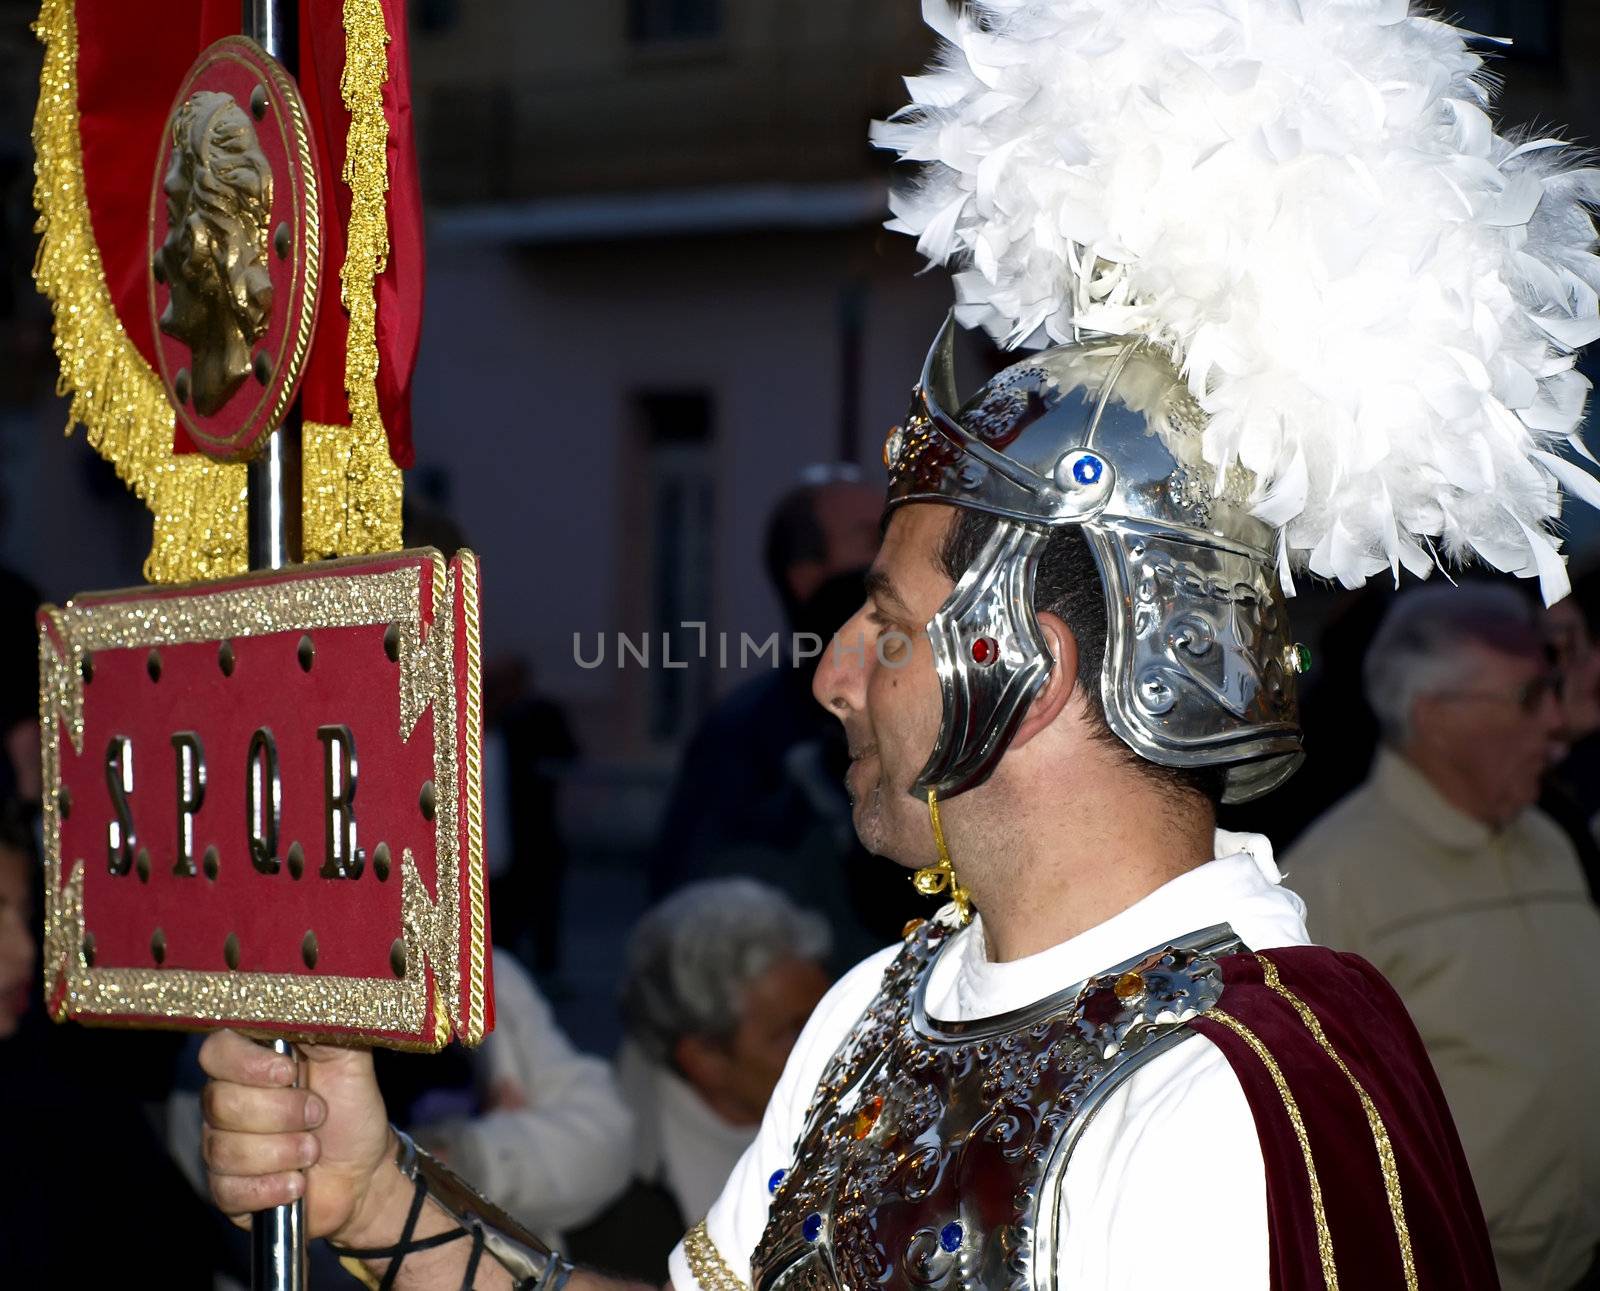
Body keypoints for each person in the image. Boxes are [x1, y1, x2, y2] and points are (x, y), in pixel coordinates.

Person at [193, 3, 1600, 1288]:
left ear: (1030, 665)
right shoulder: (883, 999)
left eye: (887, 625)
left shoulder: (1210, 1098)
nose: (830, 672)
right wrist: (374, 1196)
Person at [1287, 585, 1600, 1289]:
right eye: (1529, 696)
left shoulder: (1551, 841)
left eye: (1555, 689)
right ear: (1436, 717)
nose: (1556, 720)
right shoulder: (1331, 879)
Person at [650, 465, 916, 966]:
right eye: (870, 538)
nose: (892, 555)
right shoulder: (746, 735)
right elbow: (699, 925)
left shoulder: (927, 699)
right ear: (805, 576)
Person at [565, 880, 831, 1283]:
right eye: (791, 1032)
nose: (827, 1042)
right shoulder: (618, 1209)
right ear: (705, 1059)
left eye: (826, 1012)